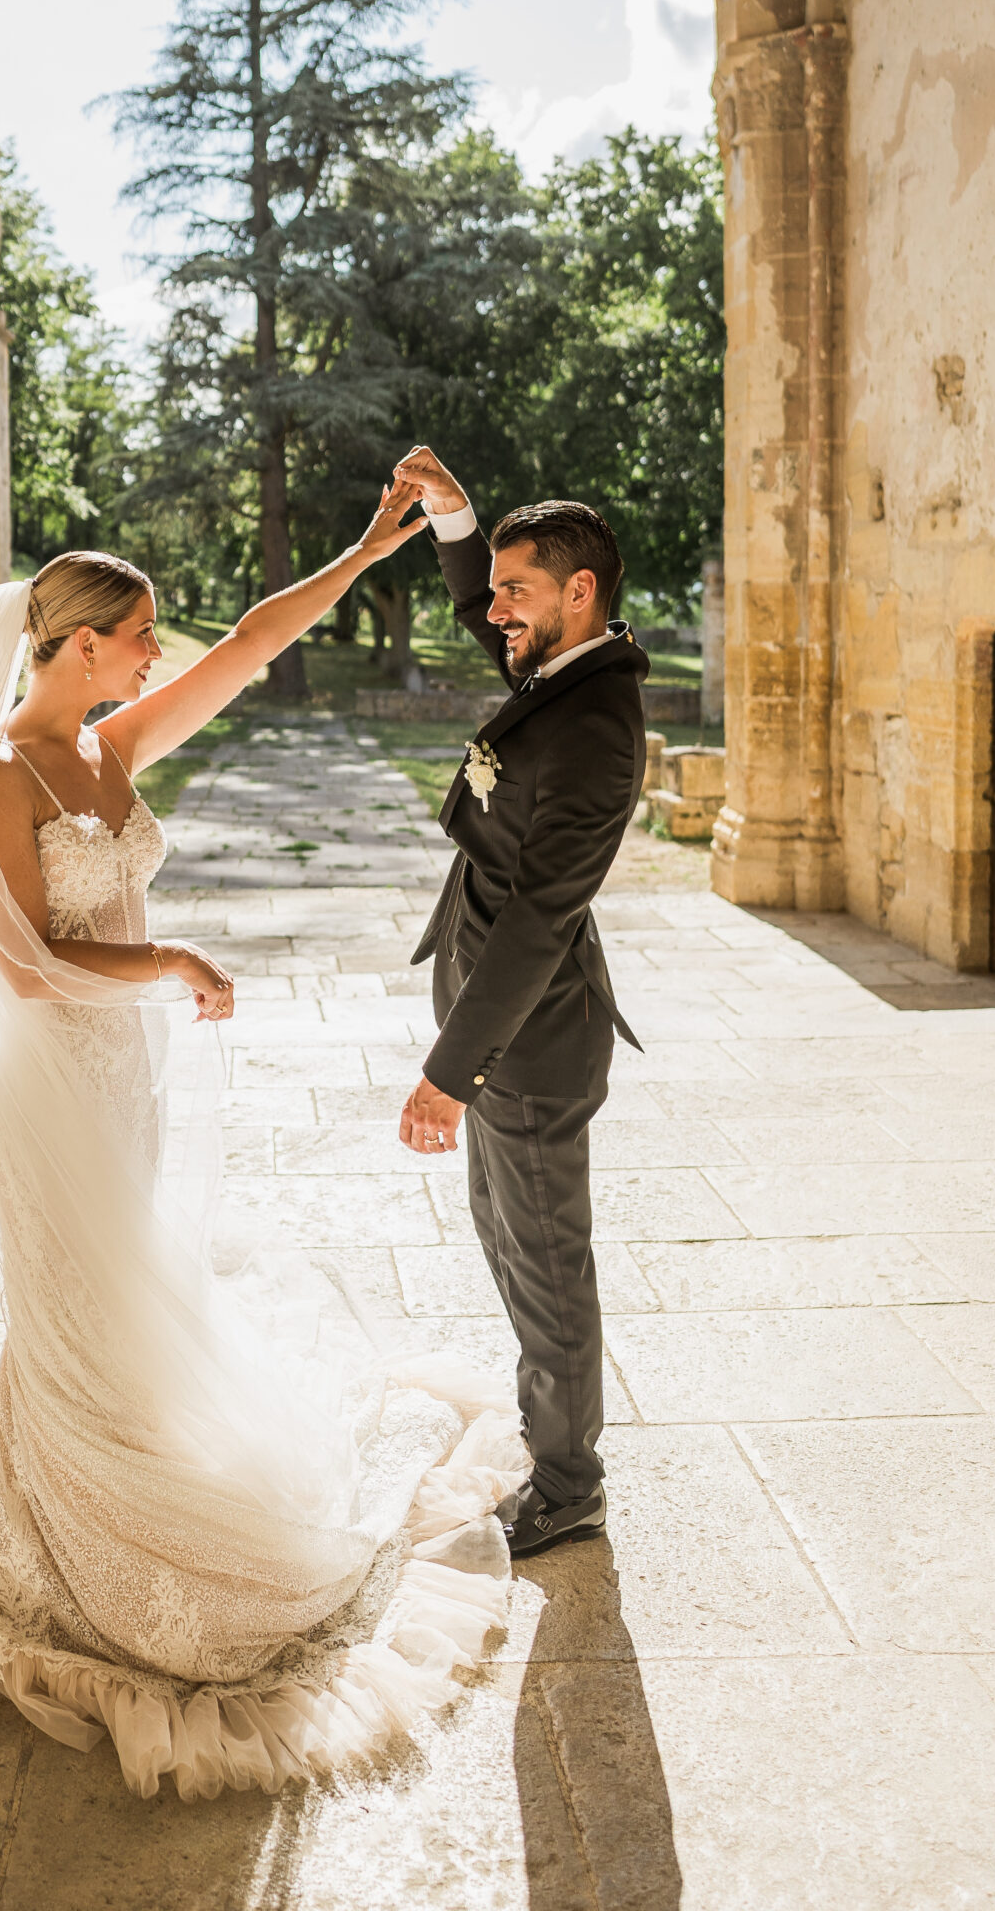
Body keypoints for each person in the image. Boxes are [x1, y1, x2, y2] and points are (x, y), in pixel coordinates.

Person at [0, 482, 529, 1802]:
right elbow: (26, 970)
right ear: (78, 641)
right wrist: (167, 956)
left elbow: (250, 648)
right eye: (139, 632)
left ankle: (86, 1516)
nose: (158, 651)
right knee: (72, 1315)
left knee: (122, 1309)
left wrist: (366, 545)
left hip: (120, 1073)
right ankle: (70, 1564)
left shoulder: (108, 745)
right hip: (42, 1082)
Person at [390, 446, 649, 1559]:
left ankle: (569, 1480)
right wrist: (454, 515)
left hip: (529, 1045)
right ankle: (550, 1423)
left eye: (514, 590)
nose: (491, 611)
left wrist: (451, 1071)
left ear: (578, 592)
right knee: (504, 1238)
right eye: (494, 588)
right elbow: (477, 605)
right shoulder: (560, 668)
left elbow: (544, 915)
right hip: (497, 1019)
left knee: (546, 1259)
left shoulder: (597, 727)